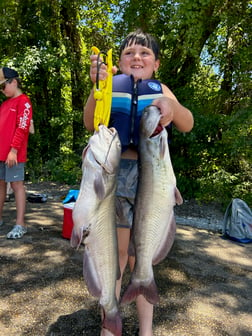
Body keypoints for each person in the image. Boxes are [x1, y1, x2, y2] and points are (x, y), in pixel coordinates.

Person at [84, 30, 194, 336]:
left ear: (156, 64)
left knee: (141, 257)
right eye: (130, 53)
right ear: (118, 62)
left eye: (145, 53)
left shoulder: (162, 89)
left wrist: (171, 108)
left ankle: (146, 330)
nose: (137, 57)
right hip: (115, 171)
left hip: (152, 178)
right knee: (118, 253)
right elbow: (90, 122)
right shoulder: (107, 87)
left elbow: (187, 122)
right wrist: (96, 88)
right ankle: (110, 323)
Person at [0, 67, 33, 239]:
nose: (2, 90)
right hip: (0, 154)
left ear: (13, 81)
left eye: (3, 86)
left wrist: (13, 150)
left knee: (16, 185)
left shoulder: (24, 102)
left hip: (14, 154)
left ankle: (20, 224)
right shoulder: (5, 104)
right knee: (1, 185)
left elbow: (23, 127)